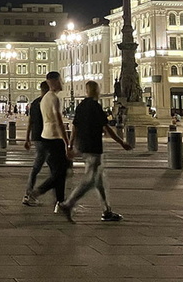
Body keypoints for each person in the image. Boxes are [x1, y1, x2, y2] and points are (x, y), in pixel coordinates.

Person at [57, 80, 132, 223]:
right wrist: (121, 142)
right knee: (91, 180)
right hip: (93, 147)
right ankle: (68, 204)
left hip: (83, 147)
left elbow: (74, 127)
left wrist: (71, 145)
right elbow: (106, 128)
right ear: (96, 91)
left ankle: (106, 211)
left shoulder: (81, 106)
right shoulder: (96, 106)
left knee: (99, 180)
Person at [25, 72, 72, 208]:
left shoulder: (44, 98)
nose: (62, 82)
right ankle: (37, 192)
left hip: (45, 136)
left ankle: (60, 201)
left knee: (59, 171)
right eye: (60, 80)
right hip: (54, 138)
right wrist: (67, 143)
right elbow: (59, 122)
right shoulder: (54, 99)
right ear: (55, 81)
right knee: (60, 172)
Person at [22, 80, 51, 206]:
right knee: (39, 167)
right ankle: (29, 194)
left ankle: (59, 198)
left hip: (36, 137)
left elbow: (30, 121)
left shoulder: (34, 103)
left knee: (52, 167)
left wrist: (27, 138)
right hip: (46, 137)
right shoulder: (47, 102)